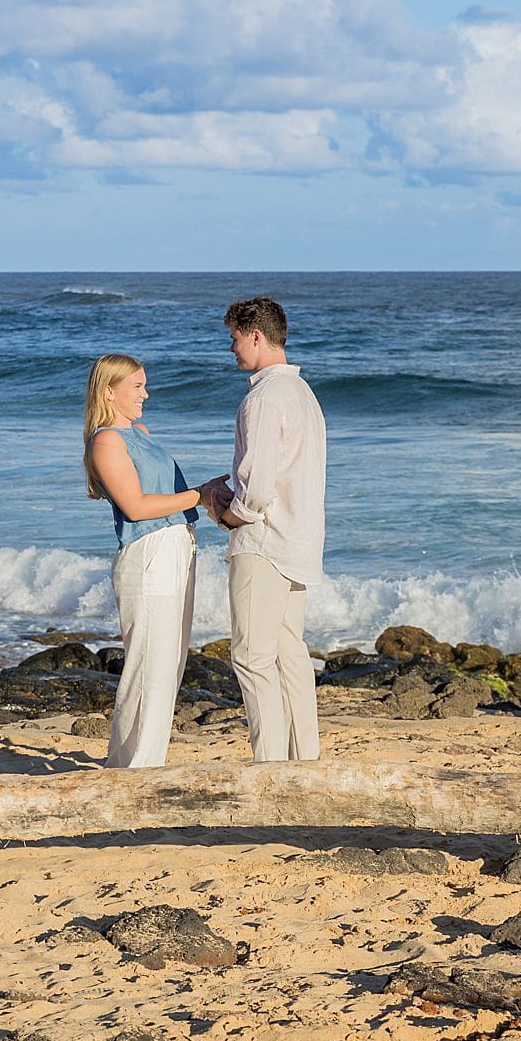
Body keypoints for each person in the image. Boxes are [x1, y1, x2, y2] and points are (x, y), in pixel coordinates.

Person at [200, 296, 325, 762]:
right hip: (298, 540)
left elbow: (257, 488)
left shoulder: (264, 398)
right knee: (289, 653)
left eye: (234, 338)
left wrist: (228, 515)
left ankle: (270, 766)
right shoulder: (303, 394)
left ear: (256, 335)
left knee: (251, 657)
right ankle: (303, 761)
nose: (231, 348)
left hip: (265, 544)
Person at [84, 354, 203, 768]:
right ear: (109, 392)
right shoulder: (107, 440)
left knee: (167, 664)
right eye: (137, 386)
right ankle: (139, 770)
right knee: (149, 665)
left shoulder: (142, 434)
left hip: (177, 547)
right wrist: (199, 496)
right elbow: (135, 507)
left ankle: (129, 762)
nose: (146, 394)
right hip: (149, 553)